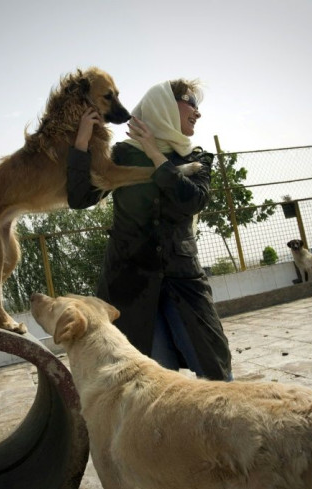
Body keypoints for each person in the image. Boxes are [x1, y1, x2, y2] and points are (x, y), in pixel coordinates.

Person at [66, 79, 233, 381]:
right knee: (155, 383)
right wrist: (81, 145)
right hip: (130, 287)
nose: (198, 112)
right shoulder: (122, 155)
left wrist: (156, 155)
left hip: (184, 281)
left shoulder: (197, 158)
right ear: (164, 104)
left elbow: (192, 201)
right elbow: (80, 198)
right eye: (191, 102)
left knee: (216, 372)